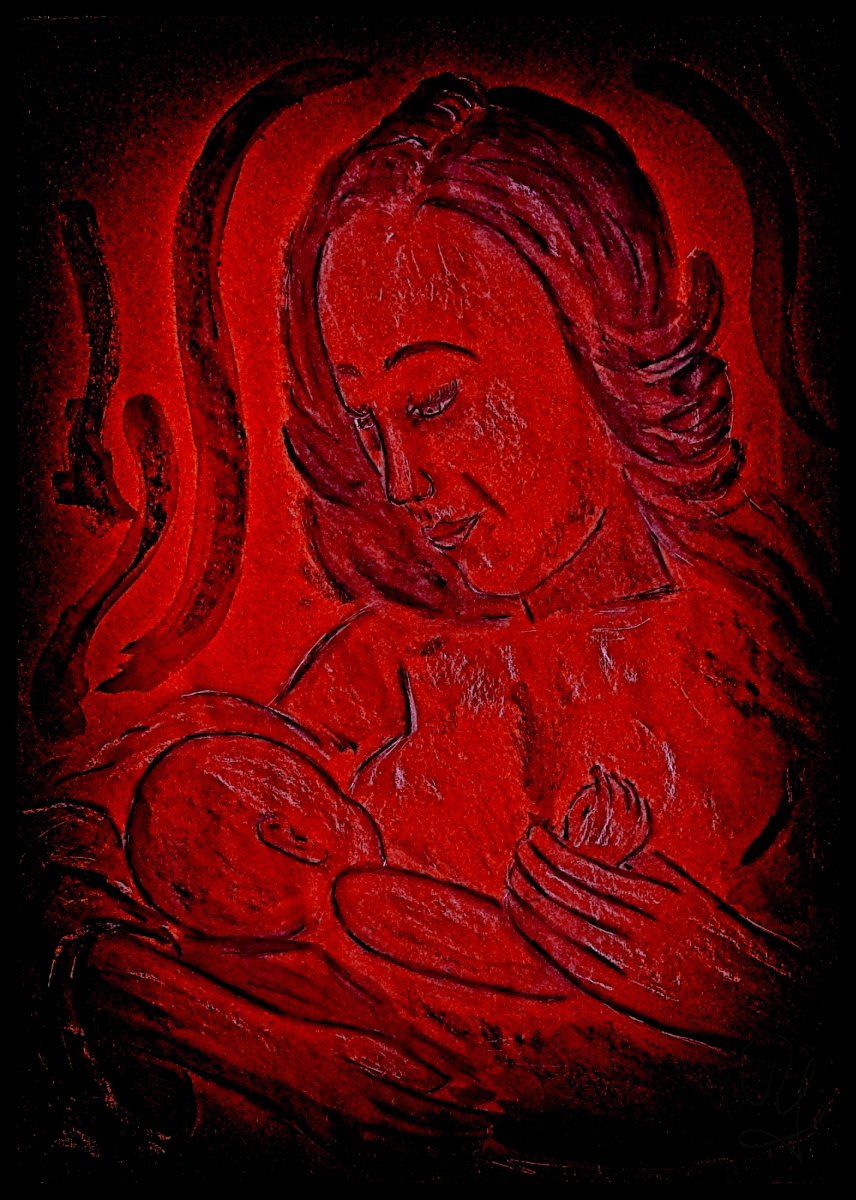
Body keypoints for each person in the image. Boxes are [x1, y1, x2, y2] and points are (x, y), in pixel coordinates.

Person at [27, 73, 832, 1170]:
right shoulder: (384, 664)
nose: (399, 481)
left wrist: (725, 971)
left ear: (595, 334)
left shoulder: (755, 649)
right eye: (367, 423)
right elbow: (107, 897)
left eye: (435, 401)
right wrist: (293, 1065)